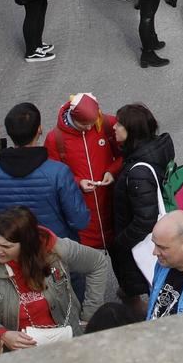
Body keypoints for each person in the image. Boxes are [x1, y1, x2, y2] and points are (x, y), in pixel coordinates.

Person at [0, 205, 116, 344]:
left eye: (6, 246)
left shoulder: (57, 250)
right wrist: (3, 334)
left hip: (67, 341)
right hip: (21, 354)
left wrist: (89, 316)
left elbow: (98, 263)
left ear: (27, 244)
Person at [0, 101, 88, 241]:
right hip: (54, 250)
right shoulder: (59, 173)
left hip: (16, 254)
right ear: (39, 129)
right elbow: (80, 220)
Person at [108, 102, 177, 313]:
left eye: (119, 124)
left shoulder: (138, 172)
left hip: (139, 241)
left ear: (132, 132)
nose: (113, 127)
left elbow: (145, 219)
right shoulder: (154, 150)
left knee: (150, 280)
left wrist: (120, 242)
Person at [45, 92, 122, 252]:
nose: (89, 128)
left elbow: (126, 154)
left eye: (92, 124)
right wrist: (78, 181)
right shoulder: (55, 139)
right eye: (84, 125)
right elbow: (53, 175)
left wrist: (112, 171)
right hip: (83, 220)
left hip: (113, 211)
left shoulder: (107, 124)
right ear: (73, 118)